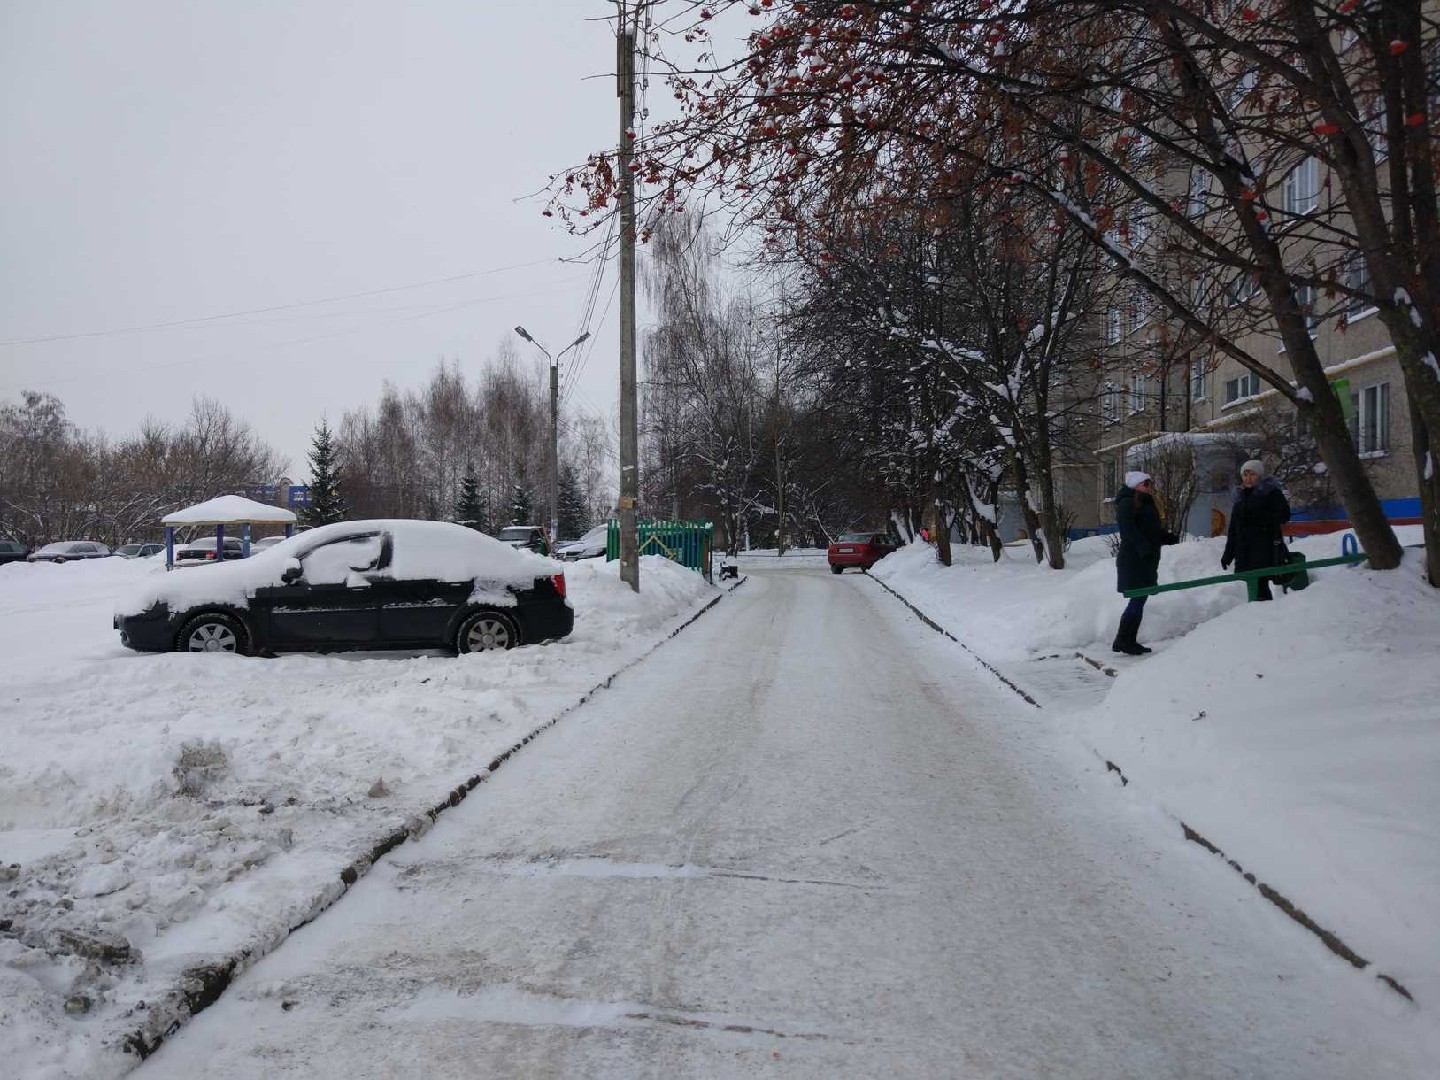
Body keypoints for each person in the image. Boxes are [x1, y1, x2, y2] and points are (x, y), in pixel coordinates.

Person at [1113, 470, 1178, 655]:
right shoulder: (1127, 503)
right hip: (1134, 560)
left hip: (1145, 559)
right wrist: (1144, 548)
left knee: (1140, 598)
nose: (1150, 487)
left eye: (1150, 483)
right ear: (1136, 485)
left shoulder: (1145, 503)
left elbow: (1151, 529)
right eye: (1146, 483)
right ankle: (1124, 640)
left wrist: (1167, 537)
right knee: (1138, 597)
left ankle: (1125, 639)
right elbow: (1129, 531)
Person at [1221, 458, 1291, 601]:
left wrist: (1259, 517)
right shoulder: (1239, 498)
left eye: (1252, 474)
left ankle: (1265, 615)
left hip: (1265, 548)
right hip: (1243, 551)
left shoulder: (1271, 493)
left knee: (1261, 586)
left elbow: (1283, 516)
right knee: (1245, 586)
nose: (1248, 478)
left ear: (1260, 476)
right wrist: (1228, 554)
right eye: (1245, 475)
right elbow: (1233, 530)